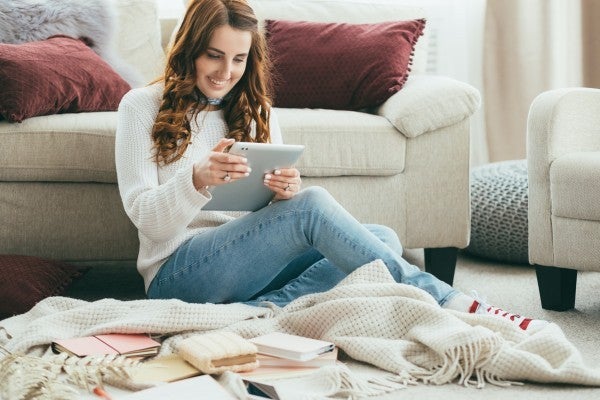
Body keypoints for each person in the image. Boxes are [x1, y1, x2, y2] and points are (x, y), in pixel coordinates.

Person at [115, 0, 545, 331]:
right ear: (189, 50)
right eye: (214, 56)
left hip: (247, 274)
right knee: (322, 213)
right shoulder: (140, 107)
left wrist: (282, 193)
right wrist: (195, 179)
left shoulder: (257, 109)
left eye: (239, 59)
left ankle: (259, 311)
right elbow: (147, 221)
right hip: (179, 274)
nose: (227, 72)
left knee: (380, 239)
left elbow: (270, 221)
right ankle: (448, 299)